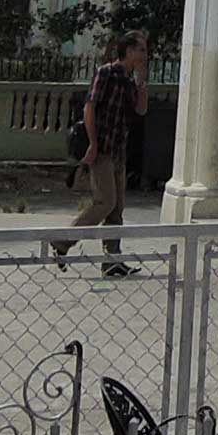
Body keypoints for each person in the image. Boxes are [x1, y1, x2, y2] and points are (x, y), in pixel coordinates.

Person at [50, 34, 150, 274]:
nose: (145, 55)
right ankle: (62, 241)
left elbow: (140, 110)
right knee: (105, 202)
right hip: (103, 147)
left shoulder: (129, 80)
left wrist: (142, 84)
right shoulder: (106, 73)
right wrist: (92, 143)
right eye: (141, 50)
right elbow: (90, 106)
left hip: (119, 150)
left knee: (117, 210)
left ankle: (112, 260)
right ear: (128, 51)